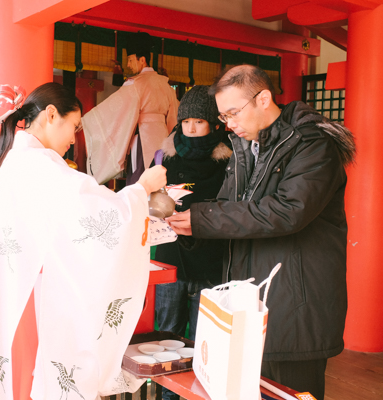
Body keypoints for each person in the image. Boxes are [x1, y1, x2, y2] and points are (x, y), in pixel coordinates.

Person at [167, 65, 356, 400]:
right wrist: (188, 225)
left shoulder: (312, 144)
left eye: (233, 113)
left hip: (293, 308)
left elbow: (287, 212)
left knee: (288, 393)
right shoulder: (244, 149)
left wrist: (204, 218)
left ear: (264, 98)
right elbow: (229, 210)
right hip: (247, 307)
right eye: (223, 116)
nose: (229, 124)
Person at [0, 82, 167, 400]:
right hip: (46, 285)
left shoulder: (16, 159)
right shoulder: (38, 165)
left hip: (35, 280)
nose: (73, 138)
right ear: (50, 115)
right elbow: (98, 210)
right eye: (73, 127)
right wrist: (142, 188)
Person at [153, 85, 232, 400]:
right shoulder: (165, 155)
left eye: (199, 122)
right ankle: (165, 394)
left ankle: (196, 394)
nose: (192, 129)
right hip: (170, 255)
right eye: (186, 122)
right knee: (165, 335)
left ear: (214, 124)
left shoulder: (229, 158)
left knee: (204, 340)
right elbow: (148, 195)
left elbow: (232, 205)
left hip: (209, 258)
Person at [81, 31, 178, 185]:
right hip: (163, 141)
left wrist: (87, 120)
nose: (128, 65)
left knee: (139, 181)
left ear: (143, 60)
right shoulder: (166, 86)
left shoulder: (135, 84)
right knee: (161, 180)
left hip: (142, 141)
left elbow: (114, 110)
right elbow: (174, 119)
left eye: (130, 60)